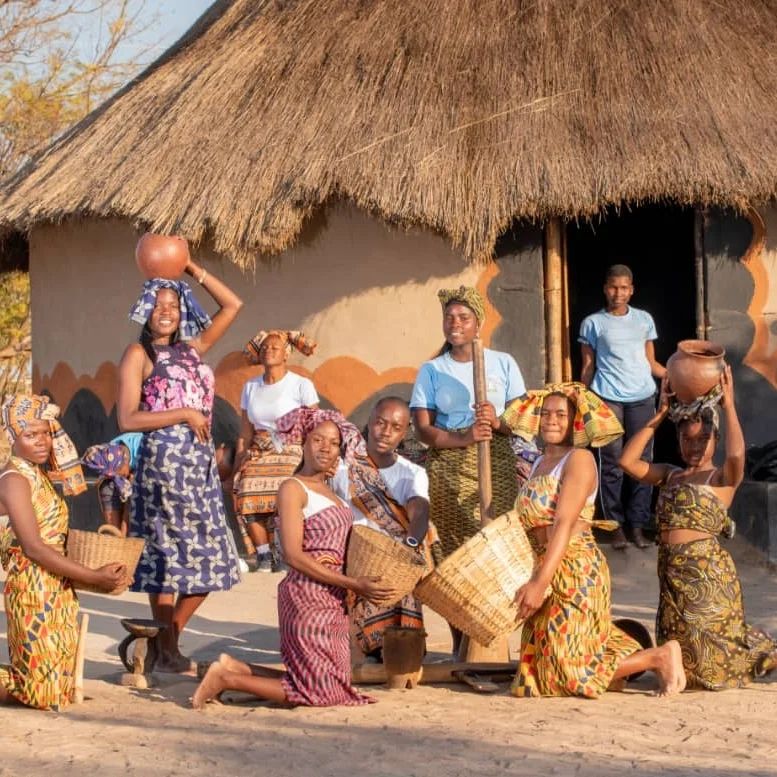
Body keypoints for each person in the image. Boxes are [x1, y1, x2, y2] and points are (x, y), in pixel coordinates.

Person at [192, 408, 394, 708]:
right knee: (321, 693)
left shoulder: (332, 492)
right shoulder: (292, 488)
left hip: (333, 599)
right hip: (307, 596)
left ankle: (234, 668)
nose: (325, 448)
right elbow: (293, 555)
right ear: (304, 443)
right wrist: (353, 583)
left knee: (331, 683)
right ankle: (226, 679)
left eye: (334, 443)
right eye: (318, 440)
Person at [505, 383, 686, 698]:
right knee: (540, 676)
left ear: (575, 422)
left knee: (569, 675)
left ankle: (659, 656)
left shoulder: (579, 460)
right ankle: (621, 663)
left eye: (561, 415)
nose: (551, 420)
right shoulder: (537, 464)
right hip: (546, 566)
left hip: (575, 570)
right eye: (546, 414)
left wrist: (539, 582)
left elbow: (563, 523)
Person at [117, 257, 243, 673]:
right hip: (162, 469)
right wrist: (185, 413)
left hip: (199, 471)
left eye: (173, 304)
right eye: (158, 305)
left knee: (212, 557)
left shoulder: (193, 350)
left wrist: (189, 266)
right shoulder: (139, 353)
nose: (166, 312)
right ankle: (167, 652)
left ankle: (163, 645)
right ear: (146, 311)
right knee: (166, 559)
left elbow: (233, 305)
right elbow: (127, 419)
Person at [619, 368, 777, 689]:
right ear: (678, 440)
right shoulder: (670, 475)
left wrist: (729, 405)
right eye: (687, 439)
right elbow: (627, 461)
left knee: (715, 670)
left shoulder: (721, 478)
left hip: (707, 582)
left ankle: (767, 650)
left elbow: (737, 455)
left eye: (704, 438)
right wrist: (659, 415)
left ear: (716, 439)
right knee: (687, 668)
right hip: (672, 584)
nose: (695, 446)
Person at [0, 395, 127, 711]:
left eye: (45, 433)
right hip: (32, 586)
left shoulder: (38, 475)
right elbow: (34, 548)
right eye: (30, 435)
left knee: (59, 686)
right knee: (40, 693)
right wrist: (93, 576)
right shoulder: (14, 479)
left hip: (57, 585)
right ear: (13, 437)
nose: (42, 441)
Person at [410, 286, 526, 559]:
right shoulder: (432, 369)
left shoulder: (503, 363)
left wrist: (495, 422)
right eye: (449, 317)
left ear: (479, 324)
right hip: (448, 464)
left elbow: (523, 419)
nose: (455, 323)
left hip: (496, 458)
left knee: (498, 533)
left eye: (464, 317)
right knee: (453, 540)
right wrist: (464, 438)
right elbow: (422, 430)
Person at [331, 397, 439, 661]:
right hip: (354, 562)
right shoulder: (342, 470)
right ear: (369, 422)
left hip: (394, 564)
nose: (386, 432)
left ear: (404, 433)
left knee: (401, 652)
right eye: (380, 423)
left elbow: (419, 509)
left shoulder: (411, 473)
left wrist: (410, 545)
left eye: (395, 427)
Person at [579, 264, 666, 549]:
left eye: (624, 288)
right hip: (607, 398)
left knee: (642, 462)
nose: (619, 293)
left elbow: (651, 363)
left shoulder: (644, 320)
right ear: (605, 289)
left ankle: (638, 525)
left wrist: (677, 376)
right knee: (612, 463)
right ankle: (614, 526)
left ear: (632, 290)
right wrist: (581, 397)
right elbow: (588, 366)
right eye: (613, 287)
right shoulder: (593, 323)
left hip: (643, 397)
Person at [233, 329, 318, 572]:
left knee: (285, 487)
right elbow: (245, 432)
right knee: (245, 487)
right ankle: (263, 554)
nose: (268, 351)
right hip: (260, 450)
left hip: (291, 448)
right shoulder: (251, 386)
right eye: (264, 348)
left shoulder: (301, 384)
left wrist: (310, 460)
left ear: (286, 355)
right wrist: (240, 462)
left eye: (274, 348)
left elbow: (314, 425)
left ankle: (285, 551)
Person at [81, 432, 143, 535]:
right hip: (122, 473)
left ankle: (122, 537)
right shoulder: (113, 452)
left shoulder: (141, 447)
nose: (121, 475)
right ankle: (116, 537)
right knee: (107, 487)